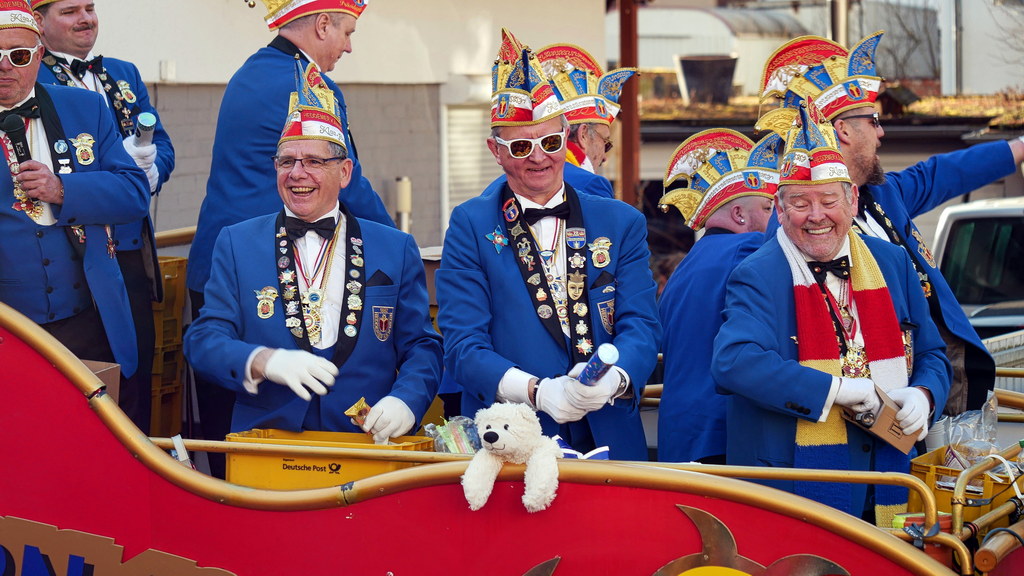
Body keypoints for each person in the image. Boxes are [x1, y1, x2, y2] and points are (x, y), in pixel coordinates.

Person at [712, 98, 950, 526]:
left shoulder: (893, 261)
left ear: (852, 200)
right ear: (780, 209)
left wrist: (925, 393)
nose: (816, 216)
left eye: (828, 200)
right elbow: (733, 362)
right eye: (800, 203)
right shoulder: (756, 273)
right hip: (796, 487)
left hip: (892, 480)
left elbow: (932, 353)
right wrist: (833, 390)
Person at [759, 32, 1024, 415]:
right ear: (843, 130)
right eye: (874, 120)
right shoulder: (795, 224)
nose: (881, 132)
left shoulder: (884, 194)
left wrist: (1019, 147)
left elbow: (943, 173)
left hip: (931, 387)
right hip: (864, 404)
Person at [435, 29, 661, 461]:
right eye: (521, 145)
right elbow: (463, 346)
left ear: (566, 137)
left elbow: (642, 325)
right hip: (513, 438)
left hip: (611, 432)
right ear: (496, 151)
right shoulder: (470, 224)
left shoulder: (622, 222)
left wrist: (613, 380)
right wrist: (538, 391)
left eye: (551, 142)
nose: (539, 157)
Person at [184, 61, 441, 440]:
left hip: (366, 439)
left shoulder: (394, 247)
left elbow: (422, 346)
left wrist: (406, 401)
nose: (297, 173)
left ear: (345, 172)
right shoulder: (237, 243)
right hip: (268, 441)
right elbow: (204, 340)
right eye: (287, 161)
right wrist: (262, 360)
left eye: (315, 162)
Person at [188, 0, 393, 472]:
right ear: (322, 25)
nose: (348, 46)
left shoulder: (248, 72)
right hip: (266, 266)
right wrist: (395, 246)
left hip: (219, 264)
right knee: (293, 419)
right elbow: (348, 182)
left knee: (226, 424)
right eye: (347, 32)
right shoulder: (309, 85)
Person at [32, 0, 175, 434]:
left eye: (90, 7)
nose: (85, 19)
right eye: (69, 11)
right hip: (79, 254)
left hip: (130, 250)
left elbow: (163, 144)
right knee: (86, 383)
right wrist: (113, 179)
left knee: (135, 368)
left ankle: (140, 458)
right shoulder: (27, 75)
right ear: (39, 23)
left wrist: (150, 170)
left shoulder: (123, 72)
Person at [0, 3, 148, 387]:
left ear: (39, 56)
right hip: (7, 332)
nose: (4, 66)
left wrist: (63, 189)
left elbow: (134, 193)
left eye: (18, 55)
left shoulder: (86, 107)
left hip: (87, 319)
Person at [656, 128, 781, 464]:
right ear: (739, 214)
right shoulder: (749, 248)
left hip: (680, 432)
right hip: (723, 433)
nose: (779, 218)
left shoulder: (686, 264)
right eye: (769, 207)